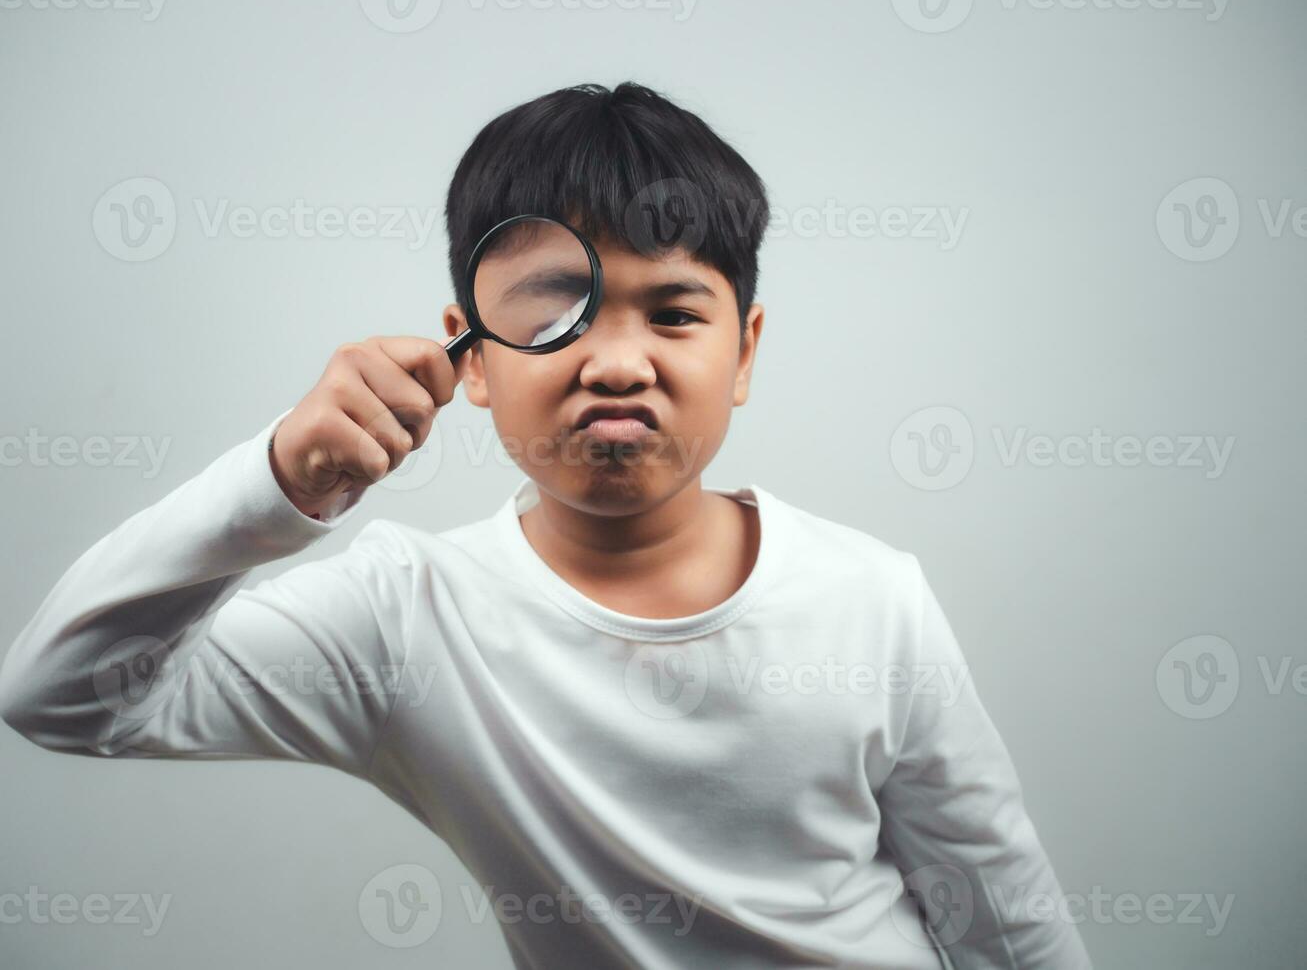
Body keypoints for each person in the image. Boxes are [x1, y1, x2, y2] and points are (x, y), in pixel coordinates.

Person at [0, 82, 1092, 969]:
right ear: (467, 352)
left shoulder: (872, 596)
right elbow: (58, 693)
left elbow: (1004, 916)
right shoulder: (402, 621)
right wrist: (278, 477)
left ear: (745, 350)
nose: (617, 362)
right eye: (553, 308)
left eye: (672, 312)